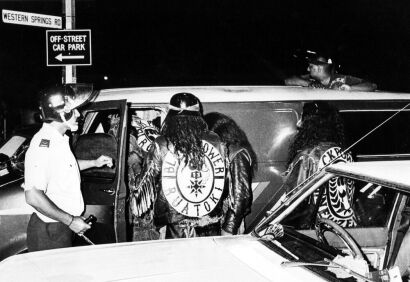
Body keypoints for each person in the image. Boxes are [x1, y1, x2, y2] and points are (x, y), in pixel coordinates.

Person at [24, 85, 113, 252]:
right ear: (61, 113)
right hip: (50, 231)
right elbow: (33, 196)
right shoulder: (43, 144)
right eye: (74, 111)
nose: (79, 115)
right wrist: (71, 221)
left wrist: (94, 163)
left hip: (59, 226)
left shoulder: (58, 139)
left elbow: (64, 168)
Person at [130, 92, 227, 239]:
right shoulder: (215, 140)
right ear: (198, 114)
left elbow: (144, 184)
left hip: (175, 223)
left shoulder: (162, 143)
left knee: (177, 261)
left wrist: (136, 164)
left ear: (171, 116)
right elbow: (223, 178)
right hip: (209, 220)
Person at [282, 101, 357, 228]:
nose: (298, 123)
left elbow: (294, 200)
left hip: (318, 229)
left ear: (311, 124)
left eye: (302, 118)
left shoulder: (307, 156)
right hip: (347, 226)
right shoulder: (345, 153)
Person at [205, 112, 256, 235]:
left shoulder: (237, 153)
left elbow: (241, 197)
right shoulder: (224, 150)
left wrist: (228, 228)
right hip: (219, 218)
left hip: (229, 221)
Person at [284, 55, 377, 91]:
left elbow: (372, 86)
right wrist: (310, 84)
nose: (308, 69)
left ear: (320, 68)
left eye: (311, 66)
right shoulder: (310, 78)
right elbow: (288, 81)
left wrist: (349, 88)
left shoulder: (342, 79)